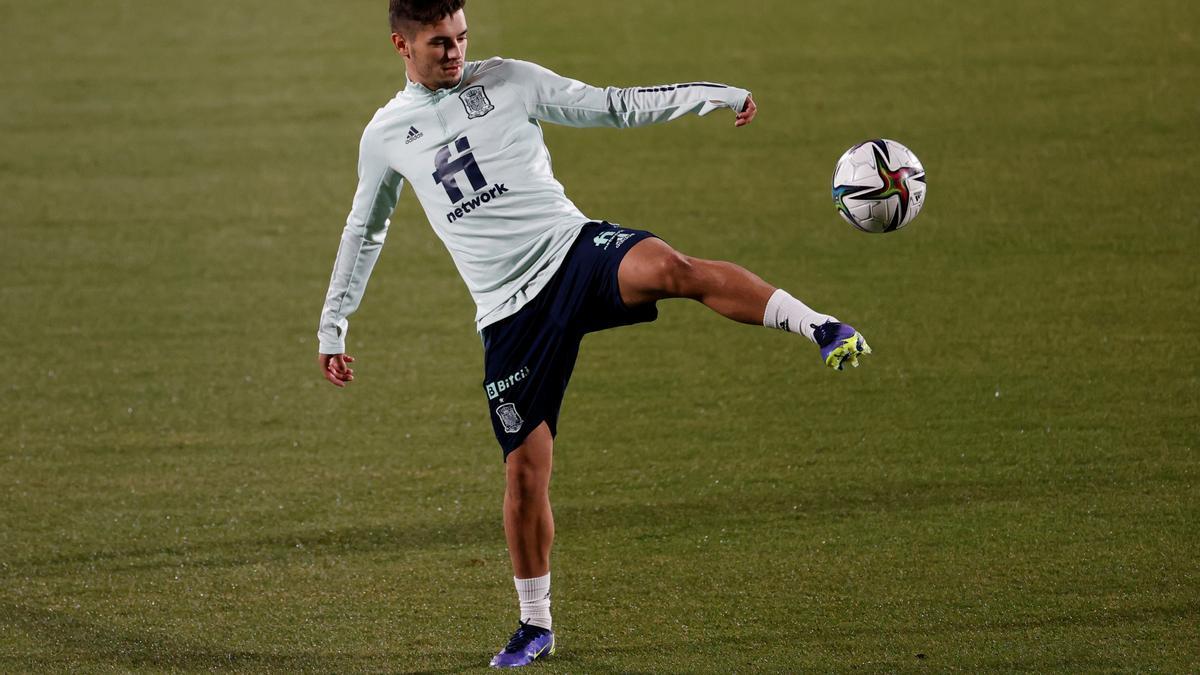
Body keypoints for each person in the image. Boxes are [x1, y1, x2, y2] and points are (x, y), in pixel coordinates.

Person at [317, 0, 871, 668]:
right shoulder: (384, 135)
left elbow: (613, 104)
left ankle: (818, 325)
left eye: (462, 37)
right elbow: (364, 229)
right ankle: (535, 623)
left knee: (673, 267)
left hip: (574, 253)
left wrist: (712, 94)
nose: (456, 52)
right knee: (525, 473)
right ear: (401, 46)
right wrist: (333, 323)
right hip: (507, 315)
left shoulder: (510, 81)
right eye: (440, 43)